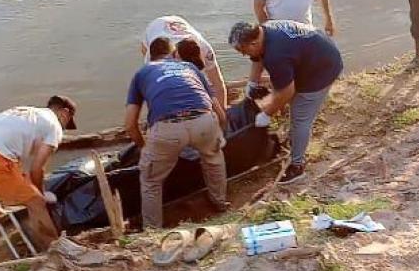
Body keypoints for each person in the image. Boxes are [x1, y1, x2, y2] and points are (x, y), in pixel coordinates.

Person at [125, 37, 229, 229]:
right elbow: (219, 112)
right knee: (214, 159)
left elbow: (130, 124)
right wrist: (218, 135)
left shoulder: (142, 72)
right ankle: (221, 204)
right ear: (174, 54)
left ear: (150, 56)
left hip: (167, 127)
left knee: (150, 180)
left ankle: (152, 230)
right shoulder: (191, 69)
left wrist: (145, 148)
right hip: (203, 121)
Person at [228, 19, 343, 184]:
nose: (243, 54)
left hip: (322, 69)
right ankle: (293, 140)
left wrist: (267, 113)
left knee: (300, 119)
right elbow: (257, 57)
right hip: (313, 54)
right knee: (291, 104)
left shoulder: (276, 55)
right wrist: (252, 82)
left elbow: (287, 91)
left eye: (242, 50)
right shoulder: (264, 31)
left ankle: (297, 165)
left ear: (253, 43)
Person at [0, 95, 79, 251]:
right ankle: (55, 248)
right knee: (37, 202)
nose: (64, 128)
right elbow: (36, 169)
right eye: (67, 123)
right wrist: (41, 194)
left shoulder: (29, 112)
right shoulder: (55, 127)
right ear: (64, 113)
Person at [140, 15, 228, 110]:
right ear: (176, 56)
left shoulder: (205, 49)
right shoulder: (157, 53)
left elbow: (218, 83)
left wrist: (223, 111)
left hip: (177, 23)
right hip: (154, 29)